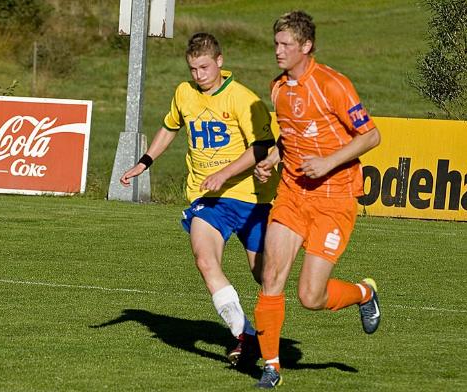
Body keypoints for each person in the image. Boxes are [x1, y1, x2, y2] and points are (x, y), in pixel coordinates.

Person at [120, 32, 277, 367]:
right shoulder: (184, 93)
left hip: (251, 198)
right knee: (205, 261)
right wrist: (144, 163)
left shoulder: (243, 99)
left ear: (220, 61)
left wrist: (225, 173)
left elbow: (263, 147)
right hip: (208, 199)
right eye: (192, 69)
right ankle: (243, 334)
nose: (198, 75)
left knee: (265, 276)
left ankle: (271, 334)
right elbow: (169, 127)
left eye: (204, 67)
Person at [252, 11, 382, 388]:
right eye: (276, 43)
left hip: (334, 198)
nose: (277, 51)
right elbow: (288, 138)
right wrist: (271, 161)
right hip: (292, 193)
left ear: (305, 47)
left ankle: (363, 293)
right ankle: (271, 367)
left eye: (285, 45)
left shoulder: (333, 85)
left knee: (311, 296)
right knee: (270, 276)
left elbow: (371, 136)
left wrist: (327, 162)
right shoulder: (277, 88)